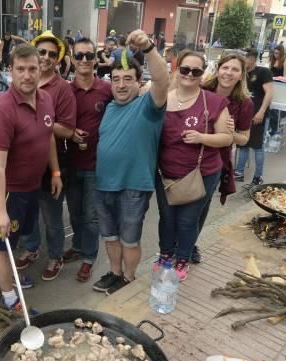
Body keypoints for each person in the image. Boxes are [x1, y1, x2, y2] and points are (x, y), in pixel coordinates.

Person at [0, 44, 62, 311]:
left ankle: (7, 278)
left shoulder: (46, 99)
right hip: (9, 192)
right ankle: (8, 297)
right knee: (1, 245)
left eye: (32, 69)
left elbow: (49, 135)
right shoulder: (2, 110)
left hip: (32, 186)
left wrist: (55, 171)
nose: (27, 75)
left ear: (40, 69)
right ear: (11, 71)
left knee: (17, 239)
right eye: (21, 69)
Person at [94, 29, 169, 295]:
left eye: (128, 79)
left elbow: (162, 80)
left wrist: (148, 48)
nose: (122, 84)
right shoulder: (110, 107)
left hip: (134, 187)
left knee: (129, 239)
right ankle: (114, 273)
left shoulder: (148, 106)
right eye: (116, 79)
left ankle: (128, 277)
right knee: (110, 237)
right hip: (104, 184)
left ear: (139, 82)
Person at [155, 50, 232, 281]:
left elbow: (226, 138)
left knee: (188, 220)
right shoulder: (161, 99)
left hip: (202, 173)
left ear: (202, 73)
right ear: (177, 70)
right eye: (185, 69)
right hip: (165, 172)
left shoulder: (214, 102)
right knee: (166, 217)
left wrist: (202, 138)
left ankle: (182, 258)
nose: (189, 74)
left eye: (195, 71)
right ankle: (165, 254)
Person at [15, 31, 76, 283]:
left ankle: (55, 256)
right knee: (26, 213)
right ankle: (31, 248)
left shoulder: (61, 89)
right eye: (42, 52)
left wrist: (37, 124)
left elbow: (68, 130)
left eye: (53, 54)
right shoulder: (21, 82)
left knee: (51, 216)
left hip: (51, 162)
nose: (46, 57)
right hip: (22, 165)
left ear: (58, 59)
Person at [194, 52, 254, 263]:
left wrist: (230, 132)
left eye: (235, 69)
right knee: (180, 204)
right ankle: (176, 245)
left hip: (216, 160)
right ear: (218, 69)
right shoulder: (202, 90)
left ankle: (188, 245)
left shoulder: (244, 103)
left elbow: (244, 139)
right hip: (190, 155)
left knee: (200, 206)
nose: (229, 73)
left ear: (241, 75)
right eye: (225, 67)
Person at [64, 37, 113, 282]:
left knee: (92, 215)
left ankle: (89, 258)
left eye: (89, 55)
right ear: (72, 59)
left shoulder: (107, 89)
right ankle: (78, 245)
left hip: (97, 164)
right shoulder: (64, 90)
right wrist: (70, 133)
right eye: (79, 55)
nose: (84, 60)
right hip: (71, 163)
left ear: (96, 59)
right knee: (75, 213)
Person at [235, 48, 272, 185]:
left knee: (257, 146)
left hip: (258, 114)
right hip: (244, 114)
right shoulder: (241, 74)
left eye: (245, 57)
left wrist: (261, 111)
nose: (243, 60)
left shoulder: (263, 72)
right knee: (243, 144)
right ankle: (239, 172)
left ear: (253, 58)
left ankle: (258, 177)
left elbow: (269, 93)